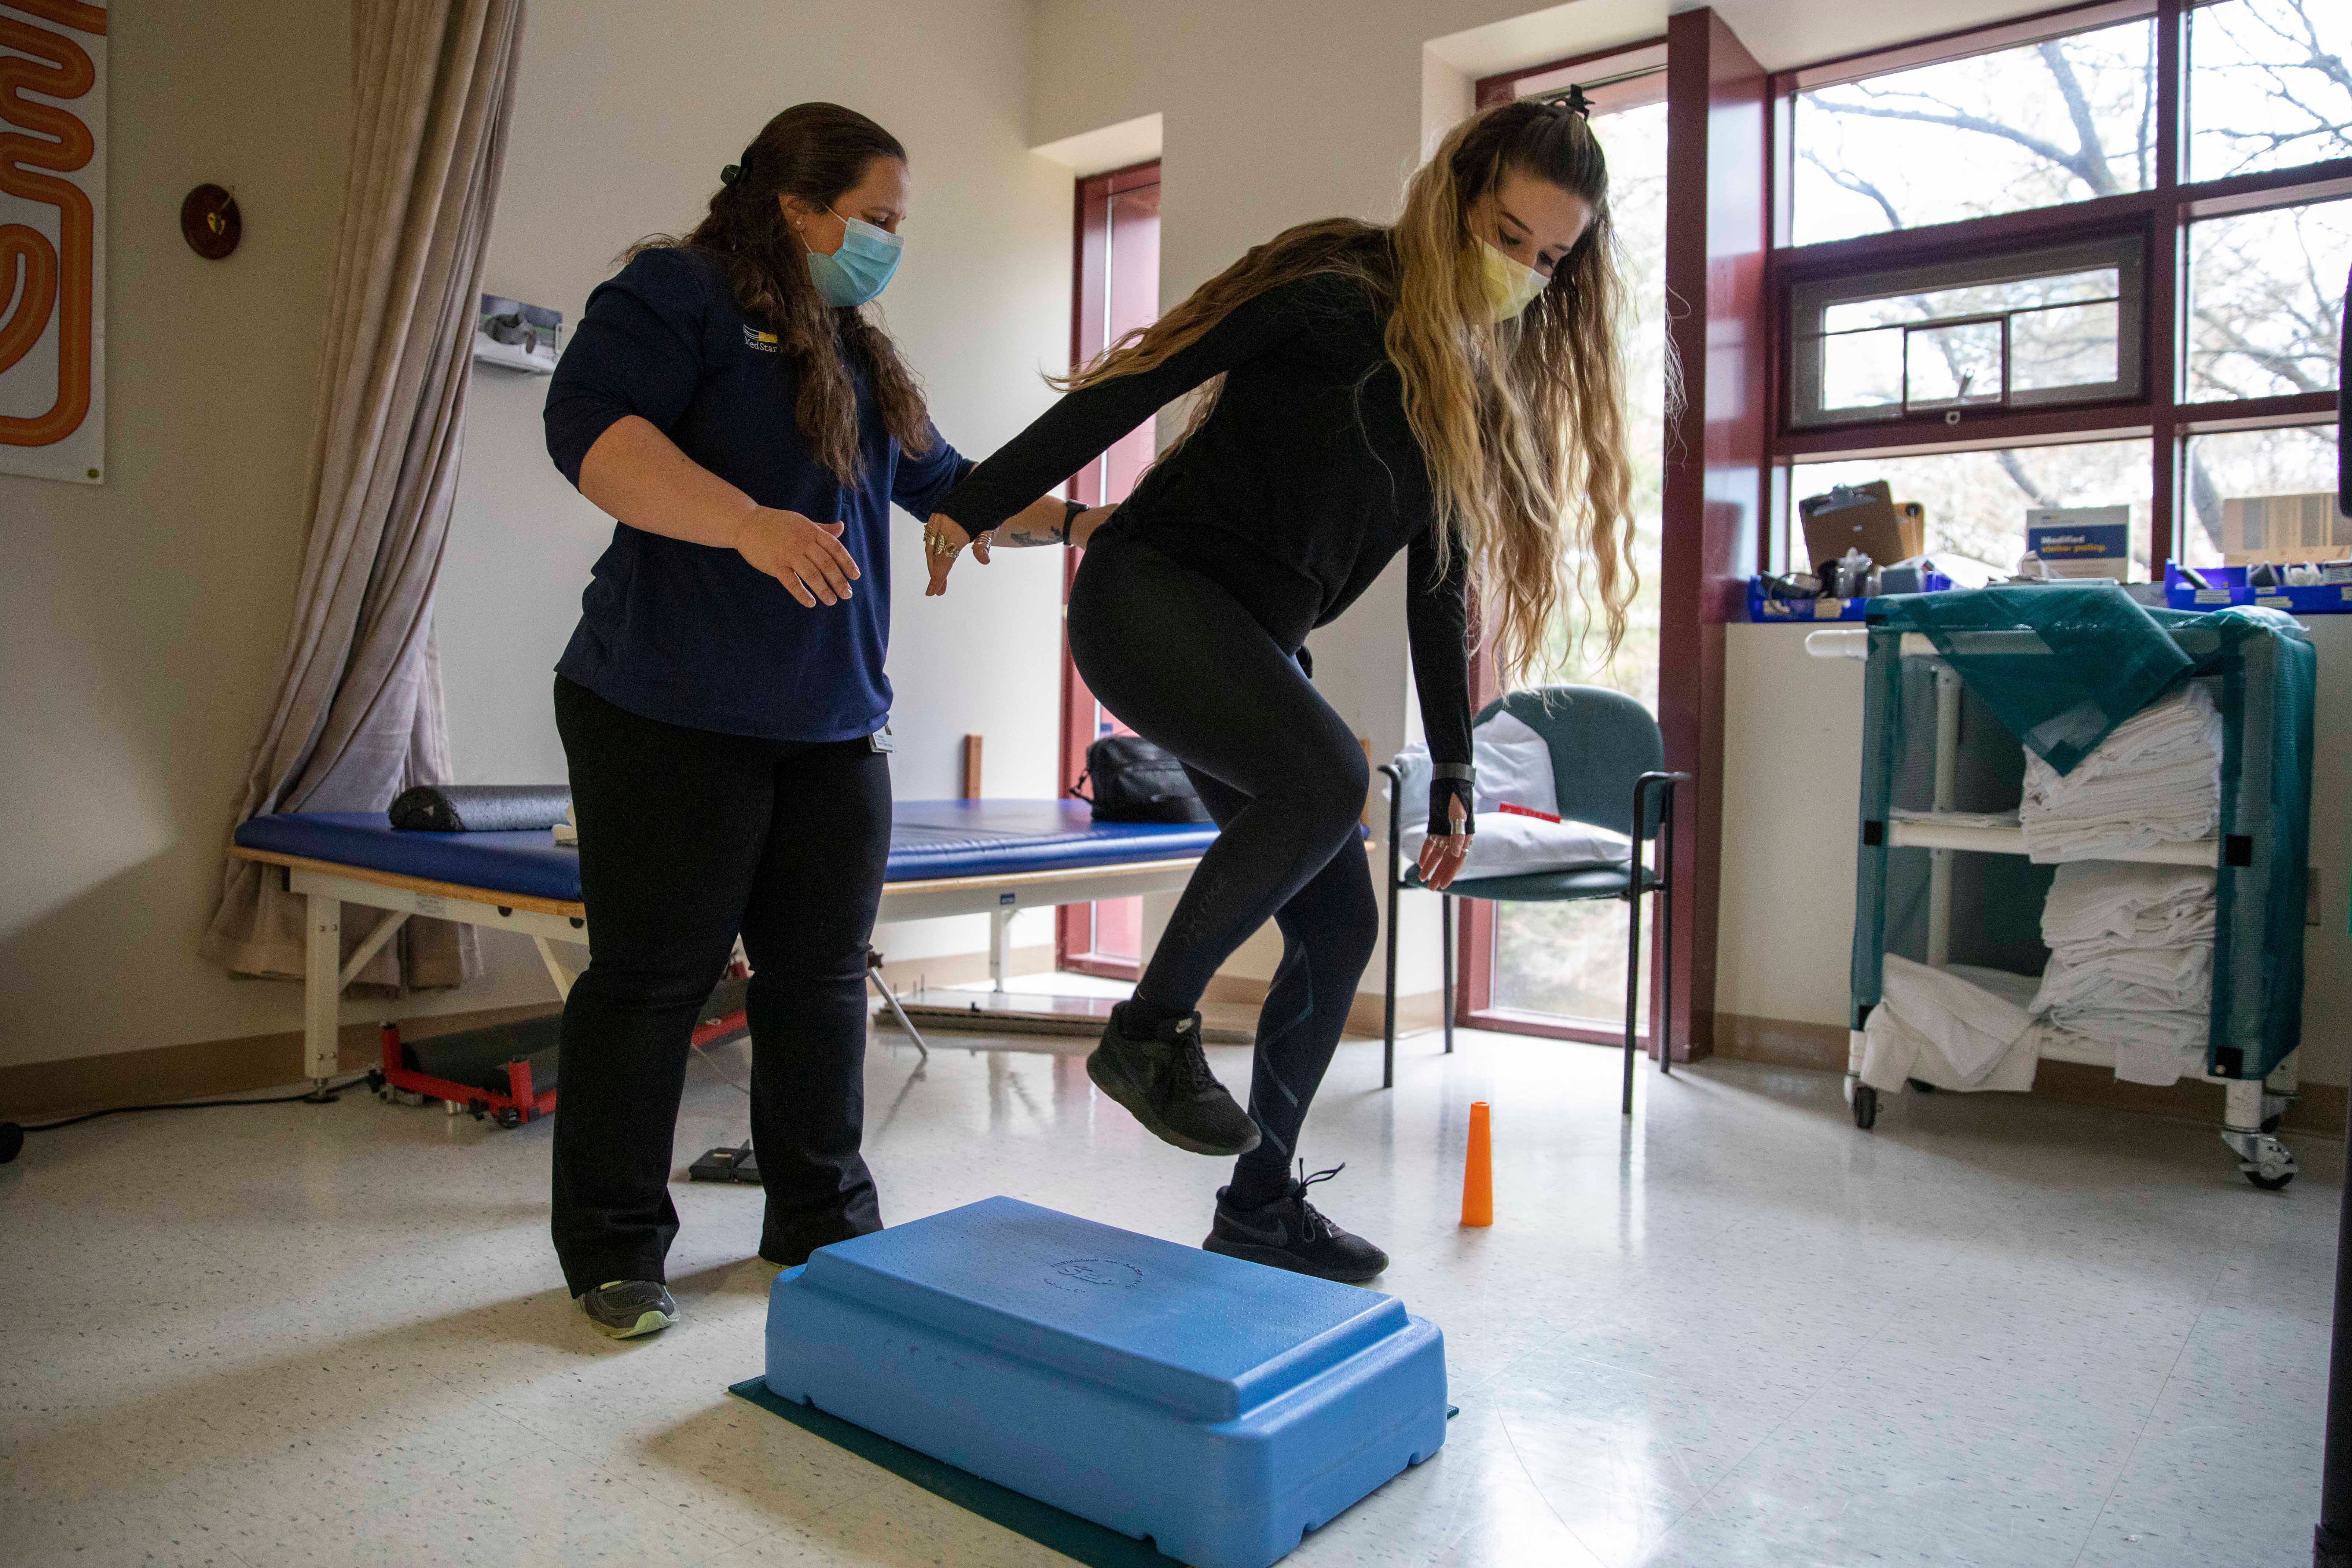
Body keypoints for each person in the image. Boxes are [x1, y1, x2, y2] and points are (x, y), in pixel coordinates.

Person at [923, 93, 1637, 1283]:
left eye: (1550, 260)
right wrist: (978, 496)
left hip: (1250, 645)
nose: (1523, 271)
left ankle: (1261, 1207)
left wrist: (1457, 771)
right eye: (1509, 235)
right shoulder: (1338, 293)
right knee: (1327, 779)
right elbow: (1139, 386)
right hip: (1151, 595)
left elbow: (1439, 596)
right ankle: (1148, 1034)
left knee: (1343, 918)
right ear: (1460, 195)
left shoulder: (1469, 392)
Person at [540, 102, 1099, 1339]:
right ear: (797, 206)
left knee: (823, 982)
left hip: (832, 723)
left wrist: (1085, 528)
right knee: (652, 981)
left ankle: (821, 1221)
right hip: (664, 708)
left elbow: (953, 489)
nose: (891, 244)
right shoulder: (674, 292)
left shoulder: (849, 347)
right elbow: (590, 435)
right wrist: (744, 520)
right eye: (879, 220)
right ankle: (617, 1248)